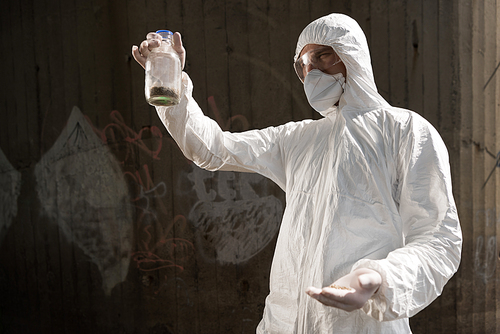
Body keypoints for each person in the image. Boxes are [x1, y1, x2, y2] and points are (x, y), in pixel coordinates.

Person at [132, 13, 462, 334]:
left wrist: (377, 278)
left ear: (352, 56)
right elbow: (212, 149)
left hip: (359, 326)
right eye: (303, 64)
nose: (312, 69)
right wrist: (170, 86)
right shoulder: (298, 139)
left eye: (323, 55)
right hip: (282, 324)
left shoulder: (405, 131)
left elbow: (438, 240)